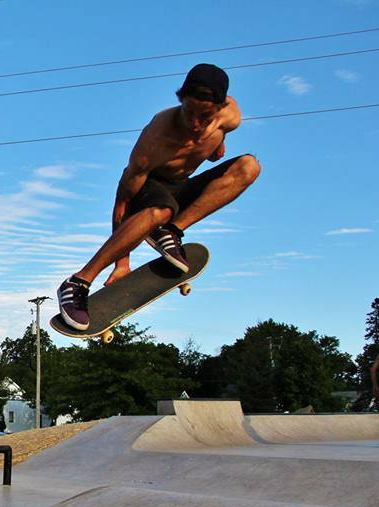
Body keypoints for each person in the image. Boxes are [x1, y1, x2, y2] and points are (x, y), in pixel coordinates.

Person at [58, 63, 261, 329]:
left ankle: (172, 231)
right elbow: (123, 202)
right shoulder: (156, 136)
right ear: (180, 100)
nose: (196, 123)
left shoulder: (230, 117)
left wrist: (217, 144)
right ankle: (78, 282)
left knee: (249, 167)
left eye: (206, 116)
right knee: (160, 210)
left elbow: (219, 132)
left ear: (221, 108)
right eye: (190, 113)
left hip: (181, 187)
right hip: (150, 187)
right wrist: (122, 264)